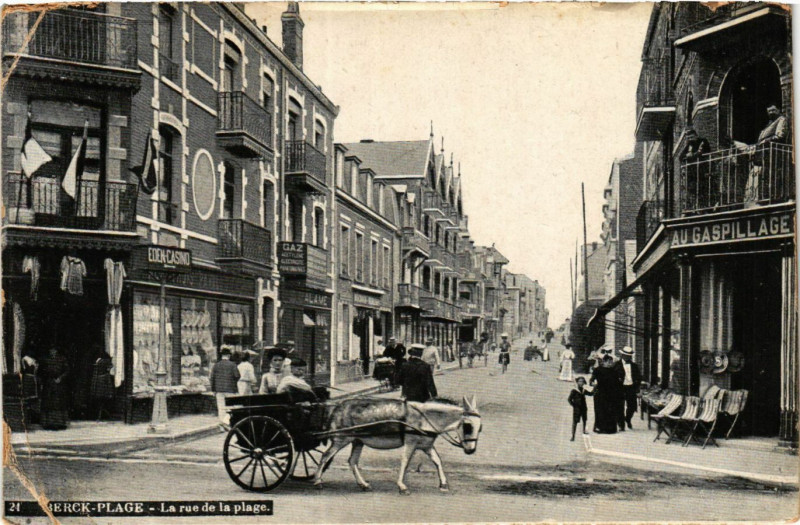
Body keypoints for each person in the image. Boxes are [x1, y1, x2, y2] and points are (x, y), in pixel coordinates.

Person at [589, 354, 623, 434]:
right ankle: (599, 428)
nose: (610, 363)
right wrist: (593, 383)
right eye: (608, 362)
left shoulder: (614, 371)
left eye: (611, 362)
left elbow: (617, 383)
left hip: (611, 394)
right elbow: (591, 380)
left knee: (610, 410)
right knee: (600, 410)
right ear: (603, 362)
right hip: (600, 393)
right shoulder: (597, 370)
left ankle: (610, 429)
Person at [39, 346, 70, 430]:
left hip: (59, 384)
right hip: (48, 383)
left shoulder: (62, 359)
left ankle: (60, 423)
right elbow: (41, 371)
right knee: (48, 403)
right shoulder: (45, 359)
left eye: (54, 350)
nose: (52, 351)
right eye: (51, 350)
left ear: (56, 351)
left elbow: (67, 370)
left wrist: (60, 378)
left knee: (59, 403)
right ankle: (48, 423)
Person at [210, 346, 240, 427]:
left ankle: (222, 426)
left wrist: (213, 390)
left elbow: (212, 378)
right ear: (229, 355)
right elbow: (237, 376)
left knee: (221, 408)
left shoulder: (216, 365)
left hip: (219, 390)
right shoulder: (233, 365)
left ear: (221, 355)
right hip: (230, 389)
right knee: (230, 408)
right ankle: (228, 423)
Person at [614, 346, 641, 430]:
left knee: (632, 406)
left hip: (631, 388)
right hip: (620, 388)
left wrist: (637, 388)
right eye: (626, 355)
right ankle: (621, 425)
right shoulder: (616, 365)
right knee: (619, 406)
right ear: (622, 355)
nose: (628, 357)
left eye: (629, 356)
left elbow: (639, 377)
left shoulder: (634, 366)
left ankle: (628, 419)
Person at [568, 377, 594, 441]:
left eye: (582, 382)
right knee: (575, 422)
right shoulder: (574, 391)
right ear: (577, 382)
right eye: (580, 381)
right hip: (577, 409)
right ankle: (573, 436)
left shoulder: (583, 390)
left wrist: (595, 387)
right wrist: (574, 405)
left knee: (584, 420)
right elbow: (569, 399)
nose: (581, 383)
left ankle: (584, 431)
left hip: (583, 408)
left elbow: (591, 394)